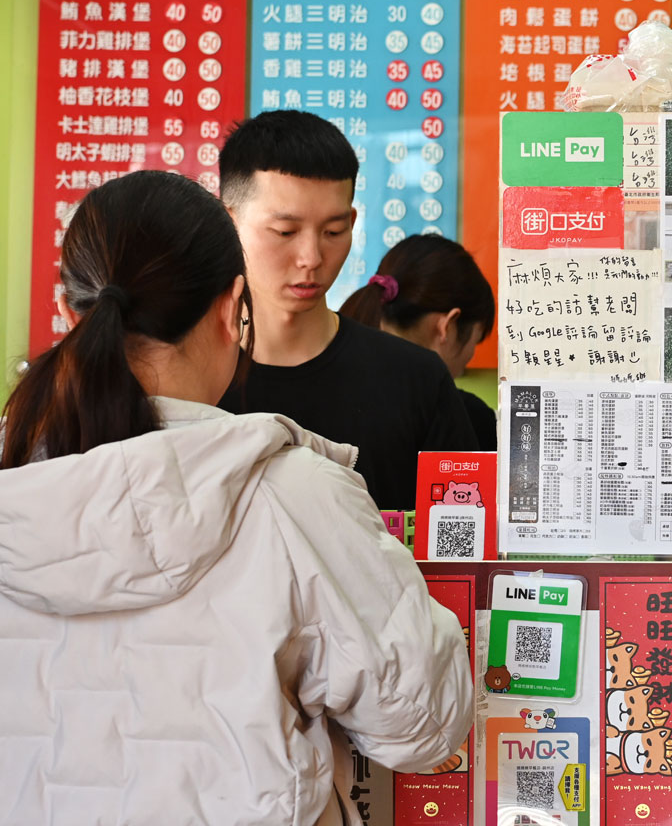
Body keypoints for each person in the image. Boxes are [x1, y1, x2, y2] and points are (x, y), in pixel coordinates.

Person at [0, 171, 471, 826]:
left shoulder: (14, 478)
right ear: (231, 308)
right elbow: (422, 727)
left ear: (72, 308)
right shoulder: (292, 496)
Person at [216, 110, 479, 510]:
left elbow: (460, 546)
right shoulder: (189, 380)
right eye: (285, 232)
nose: (311, 257)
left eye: (334, 232)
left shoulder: (418, 381)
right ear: (228, 222)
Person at [340, 234, 498, 451]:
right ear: (448, 326)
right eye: (476, 340)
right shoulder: (465, 417)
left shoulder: (328, 381)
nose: (469, 357)